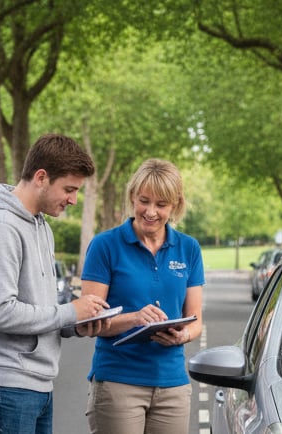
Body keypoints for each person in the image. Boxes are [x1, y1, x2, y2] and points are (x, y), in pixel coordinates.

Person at [0, 133, 111, 434]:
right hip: (4, 385)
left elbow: (39, 307)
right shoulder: (0, 227)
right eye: (69, 189)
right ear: (41, 177)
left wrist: (77, 323)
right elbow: (0, 313)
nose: (73, 199)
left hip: (36, 383)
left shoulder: (41, 226)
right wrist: (71, 311)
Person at [80, 158, 205, 434]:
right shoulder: (105, 246)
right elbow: (88, 321)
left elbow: (195, 319)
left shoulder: (189, 249)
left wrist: (183, 335)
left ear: (175, 205)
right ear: (132, 197)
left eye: (161, 205)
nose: (150, 212)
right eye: (143, 201)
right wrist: (135, 318)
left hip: (172, 384)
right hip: (118, 382)